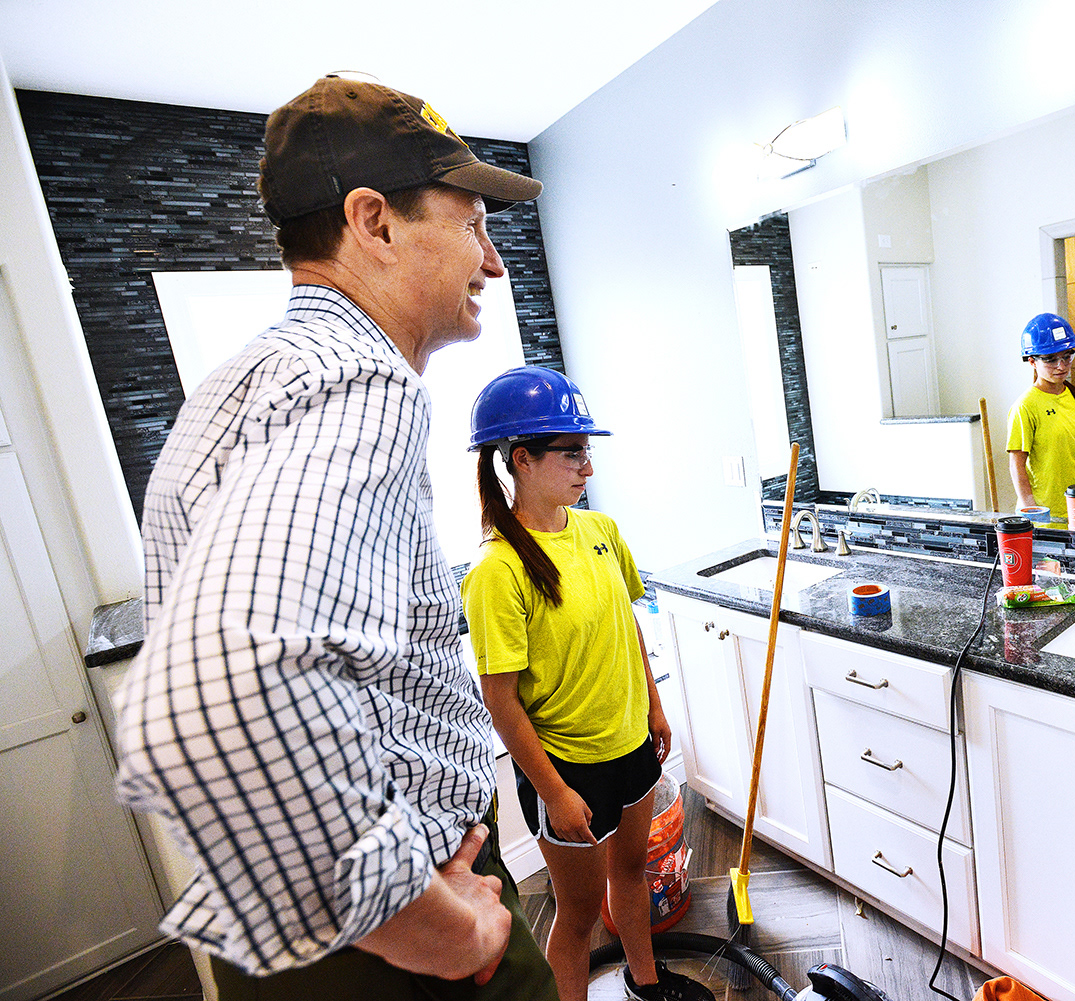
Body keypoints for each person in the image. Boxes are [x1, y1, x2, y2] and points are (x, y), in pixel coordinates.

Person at [113, 75, 558, 1001]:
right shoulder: (362, 384)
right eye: (473, 224)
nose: (493, 262)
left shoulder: (243, 384)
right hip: (393, 949)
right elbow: (228, 685)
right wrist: (439, 932)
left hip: (291, 934)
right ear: (374, 221)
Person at [460, 366, 691, 1001]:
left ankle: (646, 982)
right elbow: (500, 700)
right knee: (580, 915)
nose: (587, 467)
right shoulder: (498, 569)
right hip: (568, 768)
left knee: (633, 875)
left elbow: (627, 627)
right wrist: (555, 792)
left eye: (587, 451)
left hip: (632, 745)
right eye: (571, 453)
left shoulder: (601, 532)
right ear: (522, 459)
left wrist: (654, 708)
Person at [1006, 312, 1075, 525]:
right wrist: (1031, 510)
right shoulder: (1025, 405)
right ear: (1032, 361)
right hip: (1045, 513)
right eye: (1051, 359)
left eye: (1066, 356)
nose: (1061, 366)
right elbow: (1017, 465)